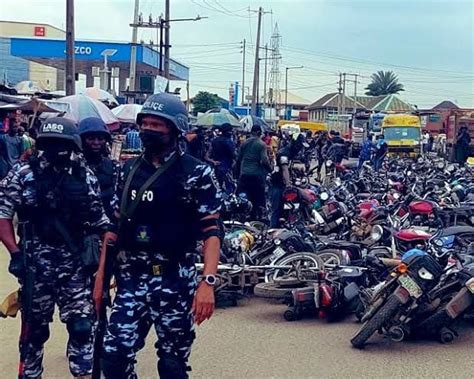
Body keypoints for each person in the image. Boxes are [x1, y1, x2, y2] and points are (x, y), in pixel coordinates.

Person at [99, 93, 222, 379]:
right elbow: (113, 229)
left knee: (172, 364)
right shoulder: (127, 170)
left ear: (175, 130)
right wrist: (100, 280)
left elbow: (212, 231)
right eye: (146, 124)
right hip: (132, 278)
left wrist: (208, 283)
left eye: (158, 125)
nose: (149, 130)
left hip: (175, 279)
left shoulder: (197, 173)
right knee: (114, 358)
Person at [0, 117, 110, 379]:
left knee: (83, 327)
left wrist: (102, 270)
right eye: (52, 143)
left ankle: (83, 374)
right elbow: (3, 216)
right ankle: (30, 373)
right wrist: (15, 253)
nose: (57, 149)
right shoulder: (23, 174)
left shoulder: (85, 176)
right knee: (34, 330)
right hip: (35, 267)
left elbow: (102, 225)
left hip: (75, 267)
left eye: (63, 144)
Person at [78, 117, 120, 219]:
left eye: (100, 139)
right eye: (91, 139)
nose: (96, 143)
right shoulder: (74, 166)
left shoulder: (113, 166)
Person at [236, 125, 272, 220]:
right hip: (256, 175)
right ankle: (257, 218)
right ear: (260, 133)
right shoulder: (261, 144)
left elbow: (239, 158)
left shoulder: (244, 143)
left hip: (244, 174)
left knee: (242, 196)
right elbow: (264, 160)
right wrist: (270, 170)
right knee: (258, 198)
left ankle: (242, 215)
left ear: (251, 132)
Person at [206, 123, 236, 195]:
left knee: (217, 188)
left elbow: (206, 156)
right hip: (226, 168)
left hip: (215, 168)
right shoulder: (229, 142)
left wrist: (213, 161)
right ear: (229, 131)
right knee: (230, 189)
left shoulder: (214, 141)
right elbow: (234, 155)